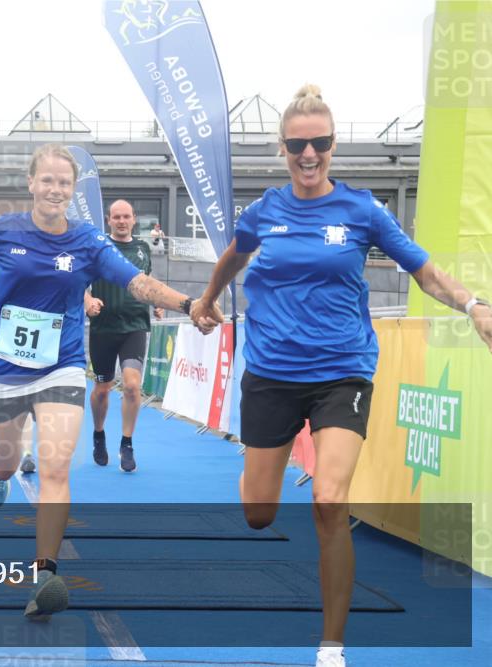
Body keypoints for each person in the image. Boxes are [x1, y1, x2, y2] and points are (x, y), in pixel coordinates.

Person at [189, 85, 492, 667]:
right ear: (282, 149)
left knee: (330, 500)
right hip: (272, 374)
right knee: (258, 513)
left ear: (333, 145)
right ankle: (275, 464)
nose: (309, 154)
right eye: (297, 145)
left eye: (321, 143)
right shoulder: (263, 212)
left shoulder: (363, 210)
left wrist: (473, 304)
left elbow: (424, 271)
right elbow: (234, 255)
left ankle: (332, 646)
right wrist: (207, 299)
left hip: (342, 373)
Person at [0, 144, 219, 618]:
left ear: (72, 190)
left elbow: (137, 282)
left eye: (64, 183)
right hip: (5, 369)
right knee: (4, 464)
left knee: (56, 468)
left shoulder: (88, 242)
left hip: (62, 365)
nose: (56, 189)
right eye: (48, 180)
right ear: (31, 183)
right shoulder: (5, 229)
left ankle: (45, 575)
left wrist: (189, 304)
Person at [84, 200, 156, 472]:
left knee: (132, 386)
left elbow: (148, 282)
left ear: (134, 219)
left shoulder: (143, 248)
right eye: (117, 217)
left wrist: (158, 303)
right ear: (109, 220)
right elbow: (80, 284)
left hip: (135, 326)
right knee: (102, 388)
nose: (122, 221)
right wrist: (88, 301)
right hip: (103, 329)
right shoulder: (98, 248)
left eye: (126, 216)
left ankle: (127, 443)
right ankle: (98, 434)